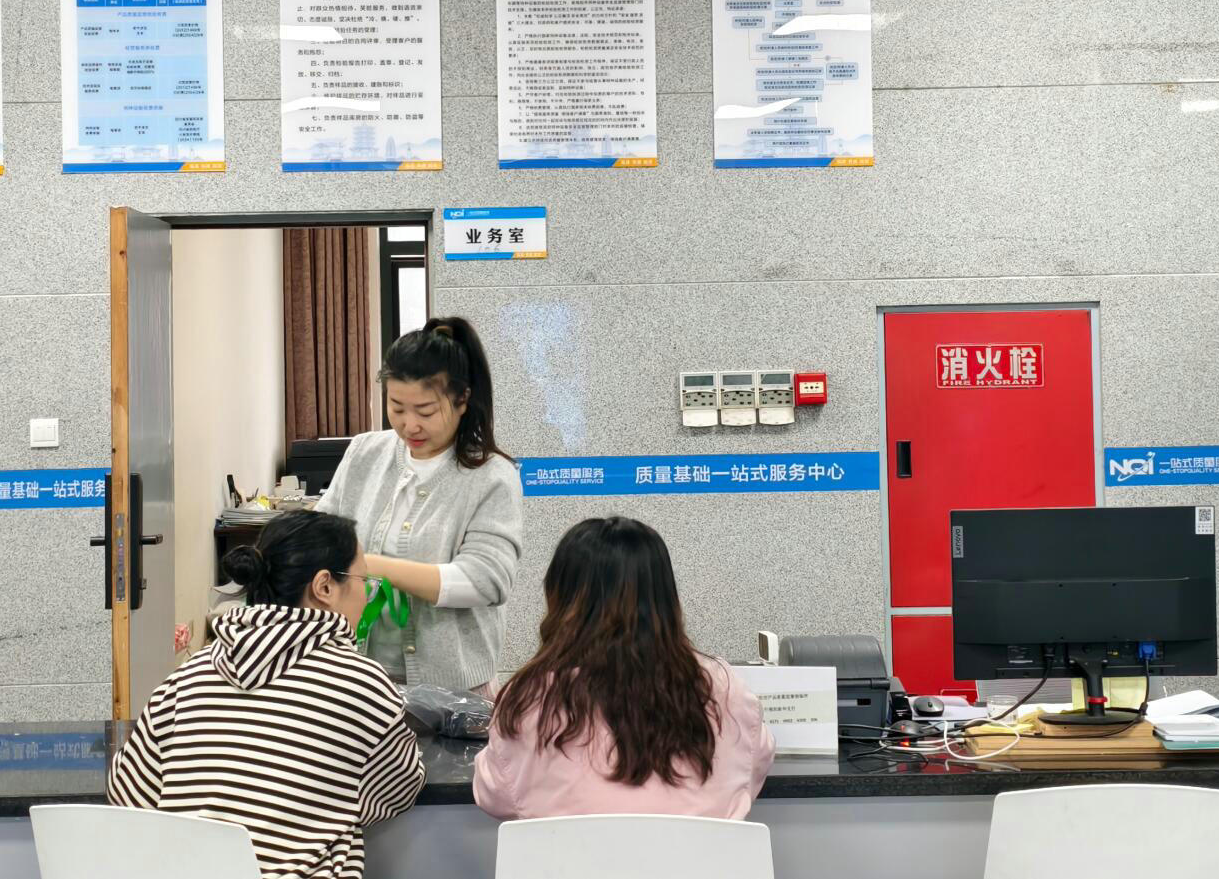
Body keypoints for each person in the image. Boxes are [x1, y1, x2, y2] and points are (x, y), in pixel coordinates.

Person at [107, 510, 425, 879]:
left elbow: (127, 792)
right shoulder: (362, 684)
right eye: (362, 580)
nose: (367, 594)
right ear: (324, 587)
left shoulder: (190, 674)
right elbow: (399, 787)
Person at [473, 517, 776, 821]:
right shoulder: (723, 691)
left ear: (559, 599)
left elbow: (496, 796)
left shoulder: (528, 700)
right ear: (666, 599)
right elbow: (750, 771)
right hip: (700, 854)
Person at [317, 317, 523, 693]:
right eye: (397, 408)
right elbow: (321, 536)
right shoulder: (364, 452)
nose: (409, 425)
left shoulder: (491, 476)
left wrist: (370, 565)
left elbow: (486, 581)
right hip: (361, 679)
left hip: (453, 691)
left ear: (463, 400)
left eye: (425, 412)